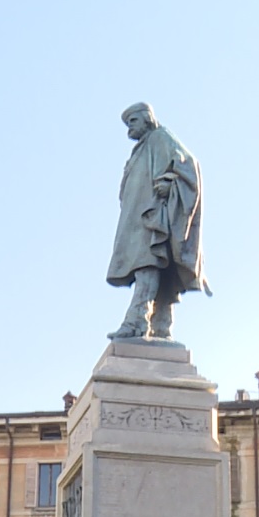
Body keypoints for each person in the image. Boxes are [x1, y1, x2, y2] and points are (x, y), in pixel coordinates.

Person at [106, 103, 210, 340]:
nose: (129, 129)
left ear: (147, 119)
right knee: (153, 267)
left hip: (153, 217)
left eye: (132, 121)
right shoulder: (143, 147)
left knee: (148, 264)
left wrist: (170, 183)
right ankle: (161, 325)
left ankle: (136, 321)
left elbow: (189, 164)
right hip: (141, 219)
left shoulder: (160, 138)